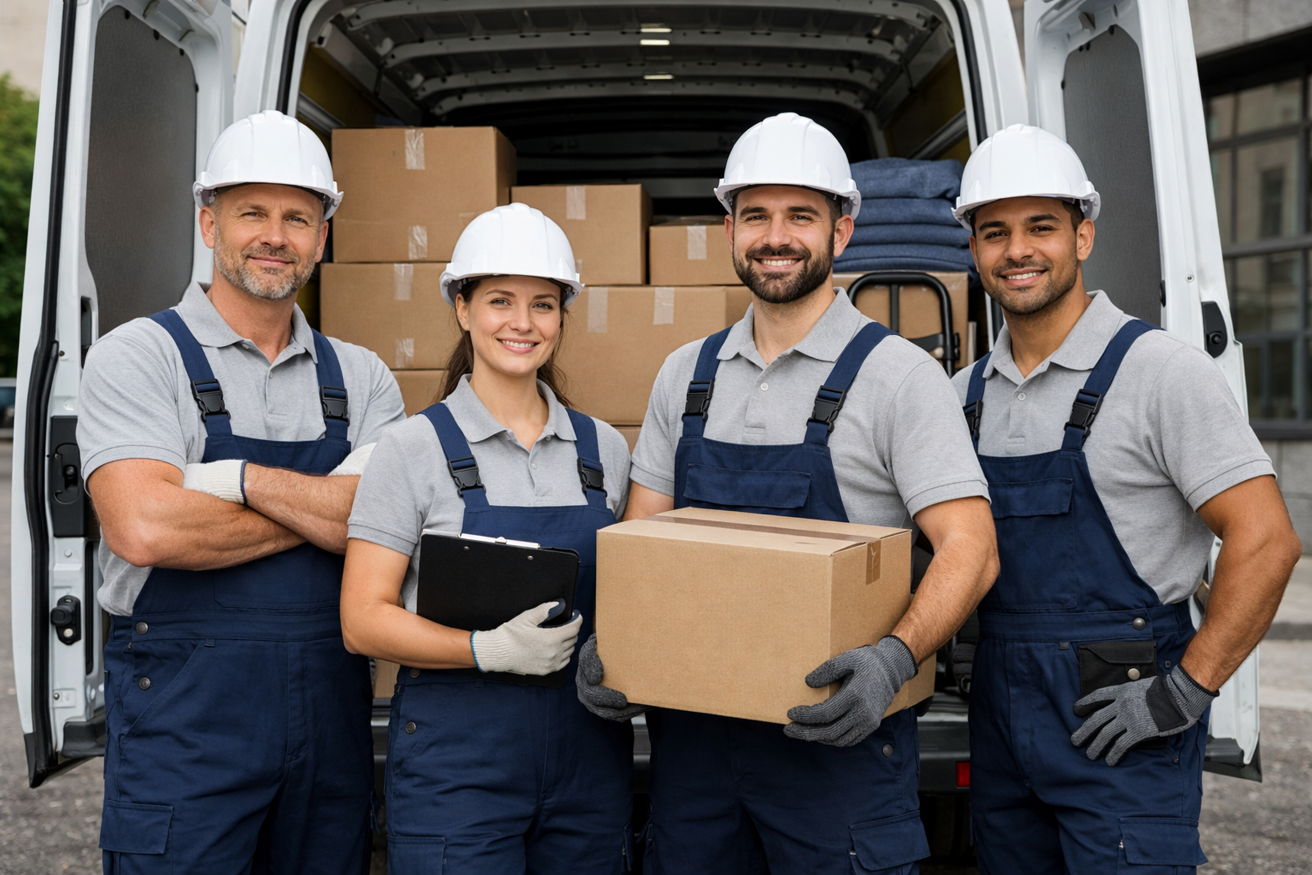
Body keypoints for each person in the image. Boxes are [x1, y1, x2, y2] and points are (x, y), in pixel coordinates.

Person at [576, 112, 1000, 873]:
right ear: (730, 229)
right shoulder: (687, 375)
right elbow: (641, 540)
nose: (776, 236)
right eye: (756, 215)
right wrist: (617, 643)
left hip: (839, 750)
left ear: (841, 232)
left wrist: (892, 661)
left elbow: (972, 548)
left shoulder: (899, 376)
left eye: (800, 215)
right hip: (697, 755)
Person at [947, 124, 1301, 874]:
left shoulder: (1161, 373)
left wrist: (1187, 690)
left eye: (1041, 227)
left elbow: (1266, 540)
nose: (1017, 250)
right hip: (1003, 719)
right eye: (994, 232)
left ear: (1083, 236)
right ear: (973, 249)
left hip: (1127, 720)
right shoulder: (961, 398)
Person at [81, 110, 404, 874]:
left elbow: (390, 523)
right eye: (251, 212)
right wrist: (326, 504)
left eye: (298, 217)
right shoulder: (137, 357)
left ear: (322, 237)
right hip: (184, 729)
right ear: (207, 223)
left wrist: (233, 482)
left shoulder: (364, 378)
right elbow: (146, 528)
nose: (275, 235)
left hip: (328, 727)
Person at [339, 203, 635, 874]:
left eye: (543, 304)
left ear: (563, 316)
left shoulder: (604, 451)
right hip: (457, 772)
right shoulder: (411, 450)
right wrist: (484, 648)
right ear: (462, 308)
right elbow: (361, 619)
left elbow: (635, 600)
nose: (523, 322)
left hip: (587, 762)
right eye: (500, 300)